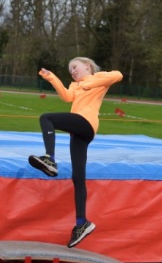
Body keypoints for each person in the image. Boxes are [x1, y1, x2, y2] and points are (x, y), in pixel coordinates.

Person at [29, 57, 123, 247]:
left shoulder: (98, 78)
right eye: (69, 69)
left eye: (75, 67)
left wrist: (91, 82)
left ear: (87, 66)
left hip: (86, 123)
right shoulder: (75, 85)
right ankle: (82, 222)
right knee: (78, 177)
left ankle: (50, 159)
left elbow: (118, 75)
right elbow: (66, 97)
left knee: (47, 118)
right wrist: (52, 77)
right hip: (78, 133)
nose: (72, 71)